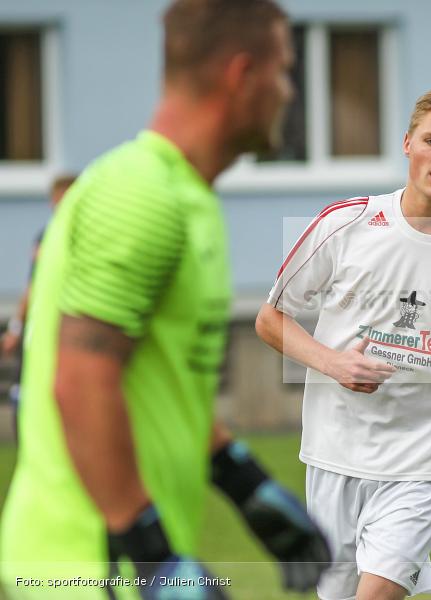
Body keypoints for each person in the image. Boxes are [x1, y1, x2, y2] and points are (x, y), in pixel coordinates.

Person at [0, 1, 329, 598]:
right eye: (283, 71)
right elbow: (80, 383)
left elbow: (160, 382)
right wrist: (153, 559)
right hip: (88, 569)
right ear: (240, 73)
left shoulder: (188, 199)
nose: (288, 93)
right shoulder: (140, 195)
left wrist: (244, 484)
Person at [256, 87, 431, 600]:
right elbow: (272, 319)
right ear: (408, 144)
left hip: (429, 455)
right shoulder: (345, 225)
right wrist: (333, 363)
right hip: (336, 447)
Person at [1, 174, 77, 442]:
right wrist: (17, 326)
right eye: (56, 201)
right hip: (42, 325)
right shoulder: (48, 235)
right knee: (28, 386)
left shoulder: (81, 236)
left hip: (69, 325)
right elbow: (32, 286)